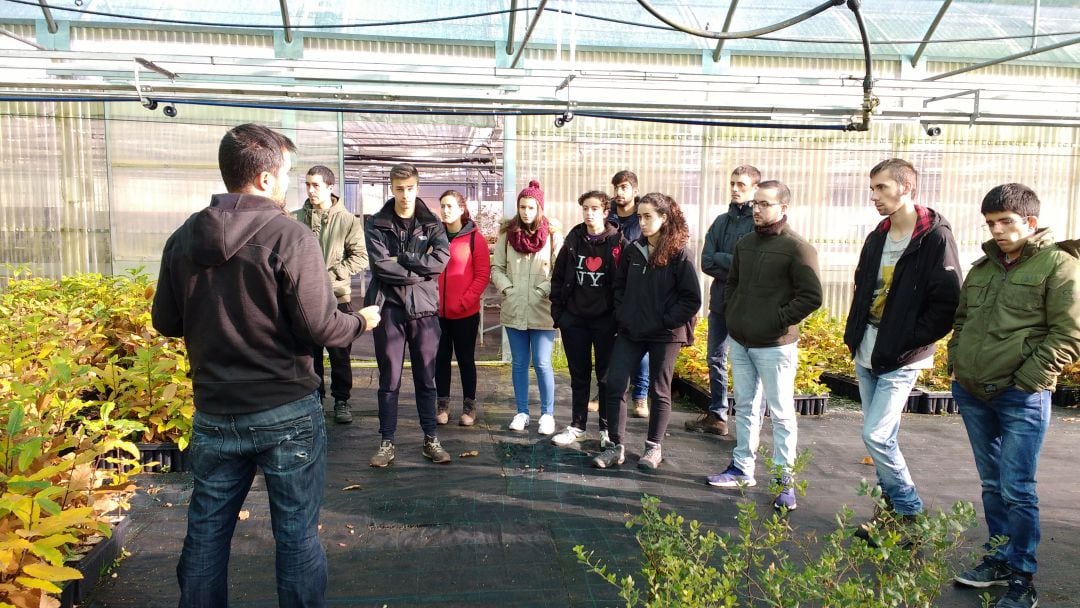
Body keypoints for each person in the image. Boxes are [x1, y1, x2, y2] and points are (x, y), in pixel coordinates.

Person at [152, 123, 381, 607]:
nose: (288, 185)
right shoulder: (289, 236)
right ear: (263, 179)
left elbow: (166, 321)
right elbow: (320, 328)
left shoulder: (183, 238)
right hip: (285, 411)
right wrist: (359, 322)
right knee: (296, 536)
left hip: (215, 411)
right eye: (285, 174)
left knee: (206, 535)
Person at [950, 183, 1080, 608]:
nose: (999, 230)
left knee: (1018, 487)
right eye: (991, 223)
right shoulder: (982, 269)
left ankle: (1022, 576)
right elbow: (963, 320)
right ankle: (999, 558)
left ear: (1030, 221)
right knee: (992, 483)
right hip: (972, 392)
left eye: (1007, 221)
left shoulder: (1058, 265)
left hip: (1020, 396)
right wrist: (957, 364)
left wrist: (1029, 379)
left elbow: (1069, 332)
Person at [842, 159, 962, 543]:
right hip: (868, 348)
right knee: (883, 436)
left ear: (906, 188)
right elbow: (863, 285)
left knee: (876, 435)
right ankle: (890, 516)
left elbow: (947, 303)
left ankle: (910, 511)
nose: (874, 195)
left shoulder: (935, 238)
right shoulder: (878, 235)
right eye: (872, 188)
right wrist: (855, 332)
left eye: (881, 188)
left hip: (903, 355)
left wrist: (910, 339)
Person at [705, 180, 822, 511]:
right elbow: (733, 284)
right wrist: (735, 314)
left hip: (774, 346)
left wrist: (777, 320)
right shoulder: (745, 244)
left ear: (783, 208)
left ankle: (785, 480)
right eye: (755, 203)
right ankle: (742, 468)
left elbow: (811, 296)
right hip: (741, 341)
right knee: (745, 407)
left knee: (782, 414)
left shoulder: (798, 249)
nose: (756, 209)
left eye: (764, 204)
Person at [592, 192, 701, 470]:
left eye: (648, 216)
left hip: (665, 333)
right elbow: (619, 288)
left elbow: (691, 299)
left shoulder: (679, 254)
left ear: (664, 218)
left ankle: (653, 448)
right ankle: (615, 446)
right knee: (614, 382)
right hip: (632, 330)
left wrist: (665, 320)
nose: (641, 222)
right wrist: (624, 314)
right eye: (639, 216)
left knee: (659, 389)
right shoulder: (633, 251)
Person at [365, 163, 452, 467]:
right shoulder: (377, 223)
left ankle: (431, 438)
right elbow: (379, 267)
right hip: (388, 308)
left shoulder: (432, 224)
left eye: (410, 188)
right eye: (399, 189)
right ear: (392, 188)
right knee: (389, 379)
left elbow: (440, 262)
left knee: (426, 378)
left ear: (417, 187)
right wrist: (419, 267)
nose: (405, 195)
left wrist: (403, 258)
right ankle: (387, 442)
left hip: (424, 309)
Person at [292, 165, 369, 424]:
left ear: (330, 187)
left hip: (337, 298)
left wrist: (329, 276)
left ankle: (341, 400)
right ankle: (313, 399)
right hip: (303, 300)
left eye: (316, 185)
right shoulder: (294, 219)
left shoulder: (346, 220)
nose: (311, 190)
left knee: (339, 352)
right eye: (308, 185)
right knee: (307, 355)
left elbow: (360, 257)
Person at [549, 190, 626, 448]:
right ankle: (578, 425)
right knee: (579, 375)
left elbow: (623, 283)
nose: (589, 213)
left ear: (606, 212)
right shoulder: (574, 240)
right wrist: (560, 314)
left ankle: (605, 429)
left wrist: (618, 318)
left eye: (594, 208)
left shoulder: (617, 243)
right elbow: (558, 277)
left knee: (605, 377)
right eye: (585, 208)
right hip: (575, 320)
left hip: (606, 321)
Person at [689, 164, 760, 436]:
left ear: (754, 188)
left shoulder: (758, 223)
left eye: (742, 184)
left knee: (747, 363)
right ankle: (717, 415)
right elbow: (707, 261)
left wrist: (725, 259)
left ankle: (747, 423)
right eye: (733, 183)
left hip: (748, 305)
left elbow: (754, 266)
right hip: (720, 302)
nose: (735, 189)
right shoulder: (721, 221)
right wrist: (736, 264)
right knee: (715, 357)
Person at [491, 180, 563, 436]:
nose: (526, 212)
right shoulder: (507, 235)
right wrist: (508, 289)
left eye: (531, 207)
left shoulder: (553, 235)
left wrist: (543, 290)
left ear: (539, 208)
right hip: (514, 308)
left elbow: (560, 270)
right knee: (519, 363)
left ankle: (547, 414)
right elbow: (496, 267)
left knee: (543, 363)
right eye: (522, 206)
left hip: (542, 309)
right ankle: (522, 411)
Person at [435, 189, 491, 427]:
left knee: (466, 359)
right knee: (440, 359)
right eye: (443, 206)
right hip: (438, 312)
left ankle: (469, 405)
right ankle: (442, 404)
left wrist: (465, 301)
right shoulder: (435, 236)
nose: (446, 211)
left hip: (464, 313)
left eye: (450, 206)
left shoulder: (474, 239)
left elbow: (482, 275)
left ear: (461, 209)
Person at [608, 170, 650, 419]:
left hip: (637, 287)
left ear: (635, 190)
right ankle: (605, 390)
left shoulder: (642, 217)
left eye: (624, 187)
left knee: (640, 344)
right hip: (608, 286)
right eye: (617, 187)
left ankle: (640, 395)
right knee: (609, 342)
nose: (619, 192)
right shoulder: (608, 215)